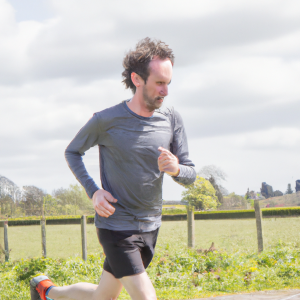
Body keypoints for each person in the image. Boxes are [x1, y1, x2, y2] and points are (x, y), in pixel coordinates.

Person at [30, 37, 196, 300]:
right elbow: (72, 152)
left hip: (151, 226)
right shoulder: (106, 120)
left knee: (102, 296)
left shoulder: (171, 120)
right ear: (137, 79)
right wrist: (93, 191)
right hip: (116, 226)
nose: (165, 91)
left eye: (168, 83)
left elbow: (191, 174)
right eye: (159, 83)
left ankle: (46, 292)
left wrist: (175, 169)